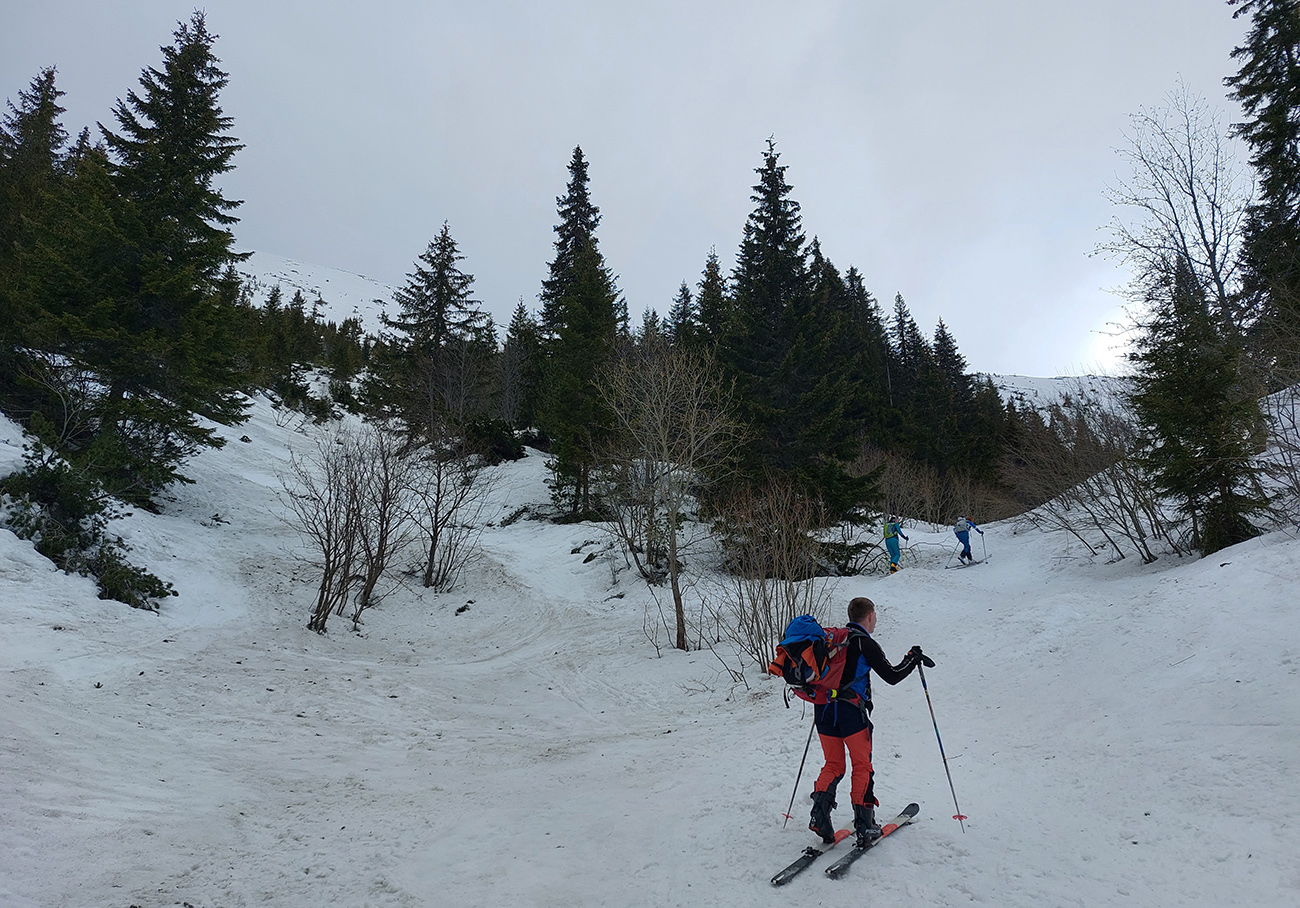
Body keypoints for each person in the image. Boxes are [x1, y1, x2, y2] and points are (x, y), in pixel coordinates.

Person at [807, 597, 933, 847]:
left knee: (833, 764)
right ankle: (865, 825)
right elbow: (892, 675)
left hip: (823, 710)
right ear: (870, 616)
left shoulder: (832, 641)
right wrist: (912, 658)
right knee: (861, 765)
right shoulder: (865, 643)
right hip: (852, 712)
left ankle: (819, 816)